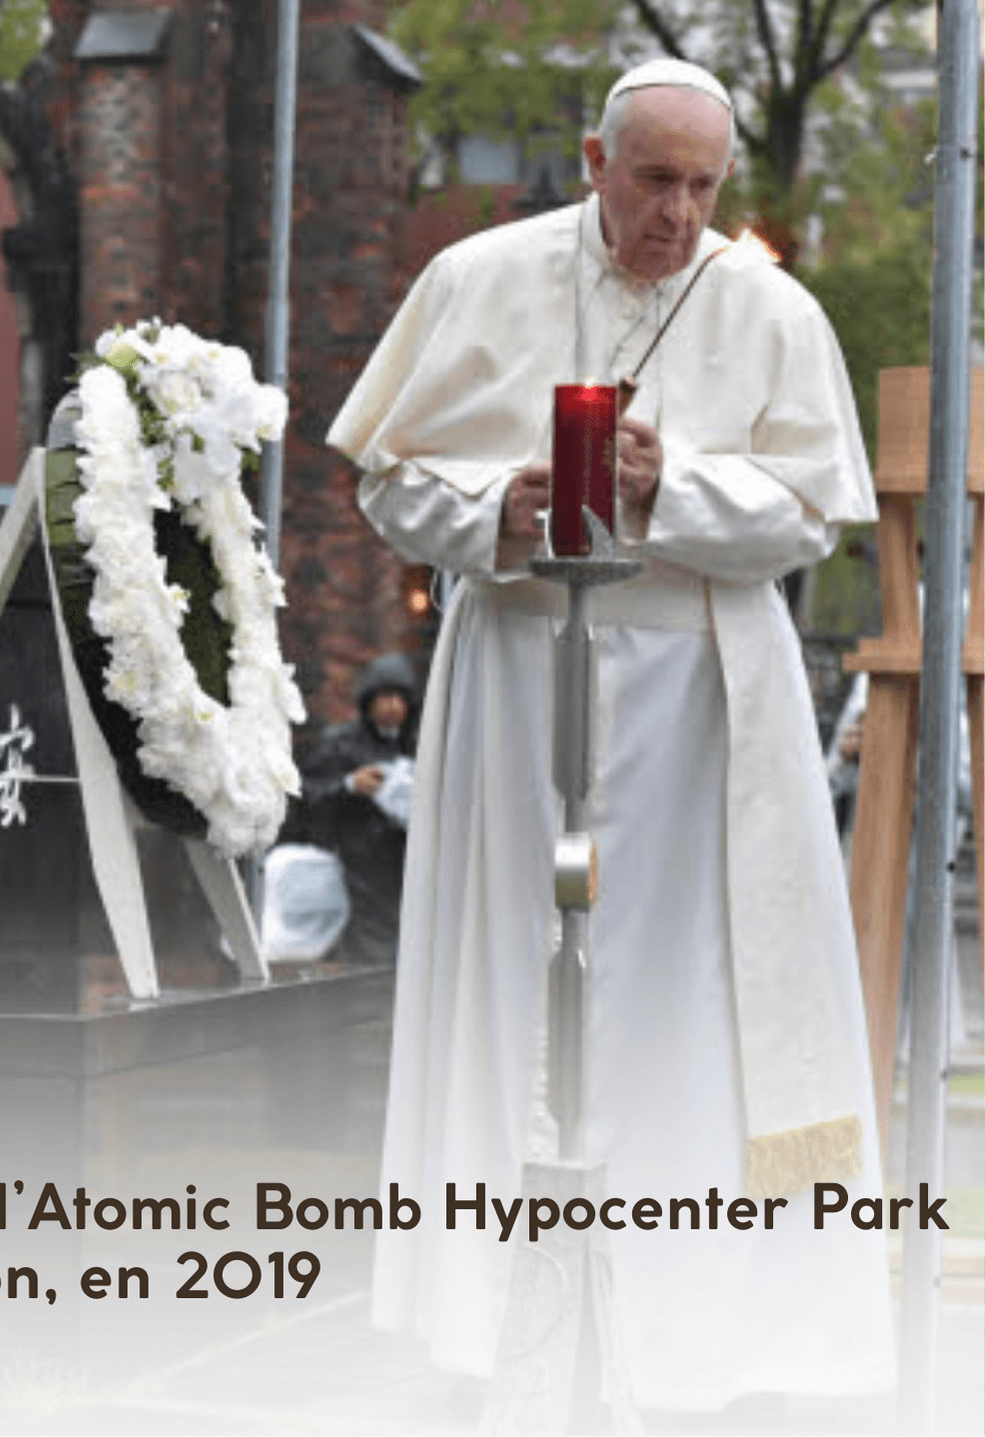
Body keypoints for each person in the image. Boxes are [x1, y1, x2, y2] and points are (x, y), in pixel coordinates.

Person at [327, 58, 894, 1412]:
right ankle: (499, 1304)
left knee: (683, 995)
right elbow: (392, 478)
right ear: (595, 160)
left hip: (699, 691)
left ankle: (688, 1309)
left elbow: (810, 516)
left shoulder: (768, 306)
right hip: (522, 666)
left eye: (703, 187)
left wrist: (668, 485)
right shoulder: (480, 277)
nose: (678, 216)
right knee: (515, 967)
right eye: (654, 181)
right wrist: (501, 511)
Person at [296, 653, 419, 965]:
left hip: (408, 871)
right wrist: (350, 785)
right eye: (384, 697)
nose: (392, 706)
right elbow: (305, 795)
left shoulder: (418, 744)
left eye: (399, 697)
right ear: (369, 701)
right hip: (357, 873)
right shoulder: (340, 743)